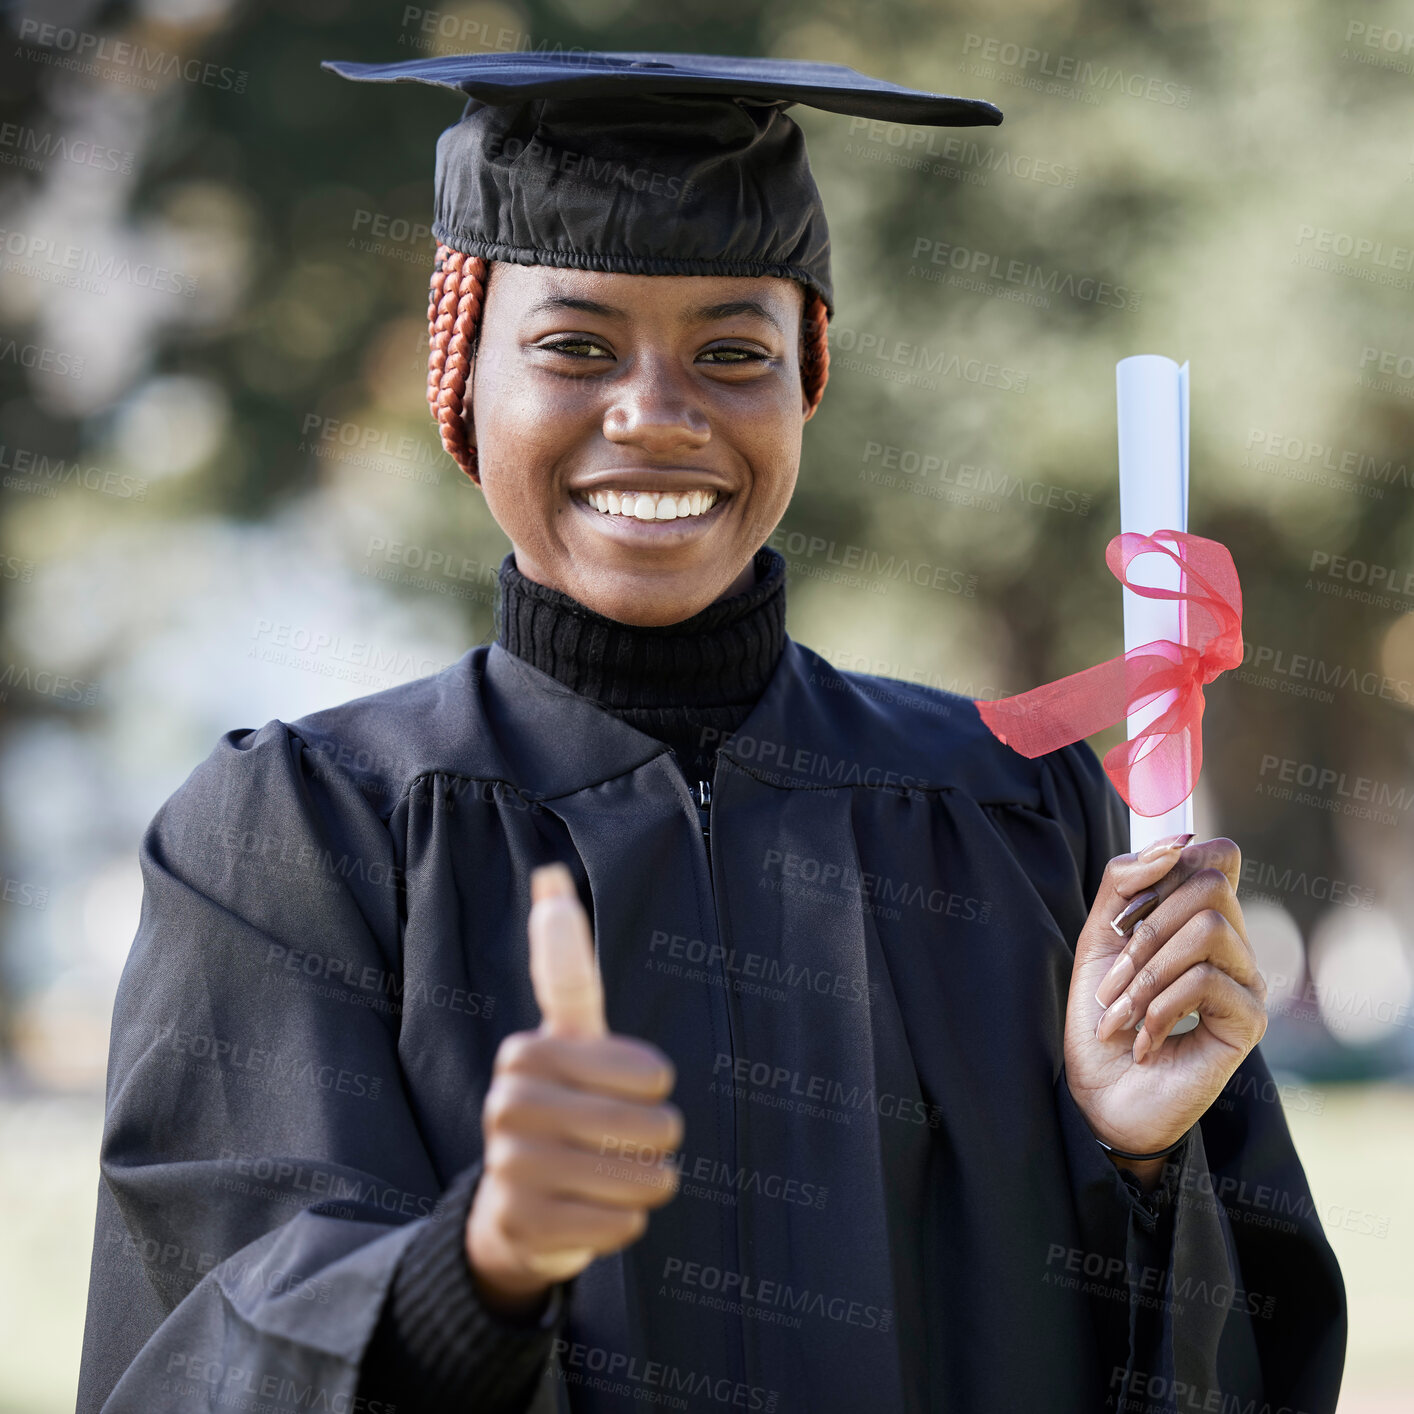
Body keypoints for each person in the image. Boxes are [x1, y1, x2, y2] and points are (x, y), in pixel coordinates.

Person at [76, 52, 1346, 1414]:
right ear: (461, 380)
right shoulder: (299, 835)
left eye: (731, 352)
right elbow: (202, 1341)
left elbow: (1237, 1364)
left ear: (803, 386)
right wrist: (481, 1264)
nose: (657, 414)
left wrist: (1145, 1168)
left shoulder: (1019, 816)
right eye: (574, 346)